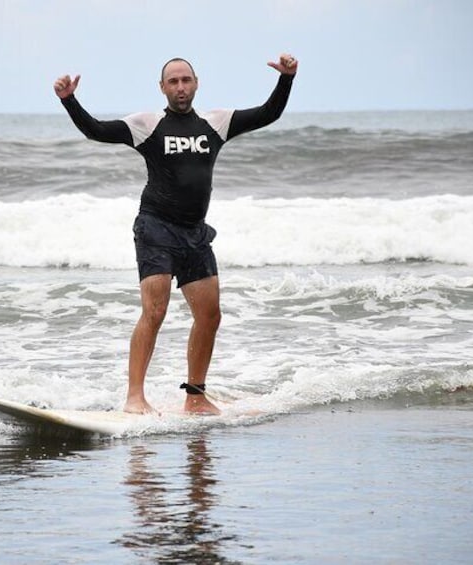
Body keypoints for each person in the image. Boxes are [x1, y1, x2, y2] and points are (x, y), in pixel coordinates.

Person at [54, 53, 297, 414]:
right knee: (155, 310)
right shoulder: (147, 125)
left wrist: (287, 79)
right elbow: (97, 131)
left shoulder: (217, 122)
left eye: (186, 80)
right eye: (173, 81)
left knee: (210, 315)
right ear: (162, 88)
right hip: (155, 227)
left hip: (195, 233)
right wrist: (69, 100)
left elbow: (268, 113)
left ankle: (195, 397)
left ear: (196, 83)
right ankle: (135, 397)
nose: (180, 87)